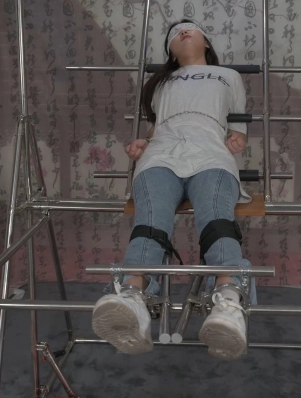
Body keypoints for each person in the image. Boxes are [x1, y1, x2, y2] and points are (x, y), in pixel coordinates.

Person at [91, 19, 256, 360]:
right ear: (170, 50)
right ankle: (132, 297)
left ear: (206, 42)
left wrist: (237, 138)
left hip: (210, 154)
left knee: (217, 220)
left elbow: (237, 124)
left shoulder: (228, 76)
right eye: (175, 33)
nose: (183, 31)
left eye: (191, 28)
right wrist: (143, 142)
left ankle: (228, 301)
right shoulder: (161, 82)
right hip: (160, 155)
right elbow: (157, 127)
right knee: (150, 221)